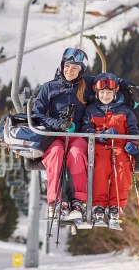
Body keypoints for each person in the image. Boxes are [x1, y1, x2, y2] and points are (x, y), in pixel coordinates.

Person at [31, 47, 91, 220]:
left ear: (81, 71)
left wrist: (128, 88)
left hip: (76, 135)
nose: (69, 71)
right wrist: (58, 124)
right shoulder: (49, 87)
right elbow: (37, 115)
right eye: (67, 66)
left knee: (77, 153)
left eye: (74, 68)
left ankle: (78, 200)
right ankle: (55, 201)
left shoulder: (86, 86)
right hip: (54, 135)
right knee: (56, 154)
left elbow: (107, 83)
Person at [81, 72, 139, 229]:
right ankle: (98, 205)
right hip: (100, 146)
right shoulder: (91, 110)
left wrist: (133, 142)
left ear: (116, 92)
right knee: (99, 167)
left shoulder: (125, 110)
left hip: (120, 147)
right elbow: (86, 128)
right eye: (102, 93)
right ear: (96, 92)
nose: (105, 96)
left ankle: (116, 206)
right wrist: (100, 135)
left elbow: (133, 129)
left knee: (122, 167)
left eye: (108, 93)